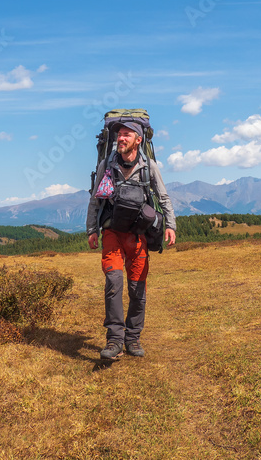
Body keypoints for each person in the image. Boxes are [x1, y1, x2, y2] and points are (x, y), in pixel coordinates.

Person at [87, 121, 176, 359]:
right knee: (114, 283)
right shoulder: (108, 165)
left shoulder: (149, 167)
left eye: (126, 134)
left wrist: (170, 226)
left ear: (138, 139)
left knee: (138, 288)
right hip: (112, 233)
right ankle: (114, 340)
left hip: (138, 236)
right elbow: (96, 200)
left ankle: (133, 338)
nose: (121, 138)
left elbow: (163, 197)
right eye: (119, 135)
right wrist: (91, 230)